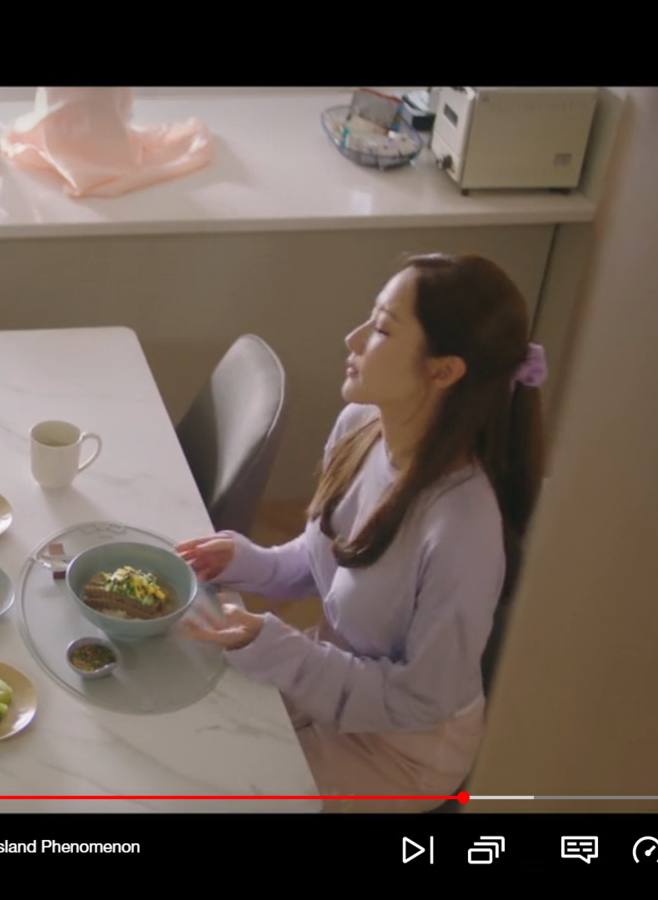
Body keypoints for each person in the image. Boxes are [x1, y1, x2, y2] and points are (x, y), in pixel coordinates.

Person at [177, 253, 545, 812]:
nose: (352, 338)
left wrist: (277, 648)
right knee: (186, 729)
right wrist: (243, 560)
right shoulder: (360, 428)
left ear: (443, 370)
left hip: (401, 752)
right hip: (333, 689)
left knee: (211, 791)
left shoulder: (462, 530)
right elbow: (322, 559)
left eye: (380, 328)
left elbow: (421, 700)